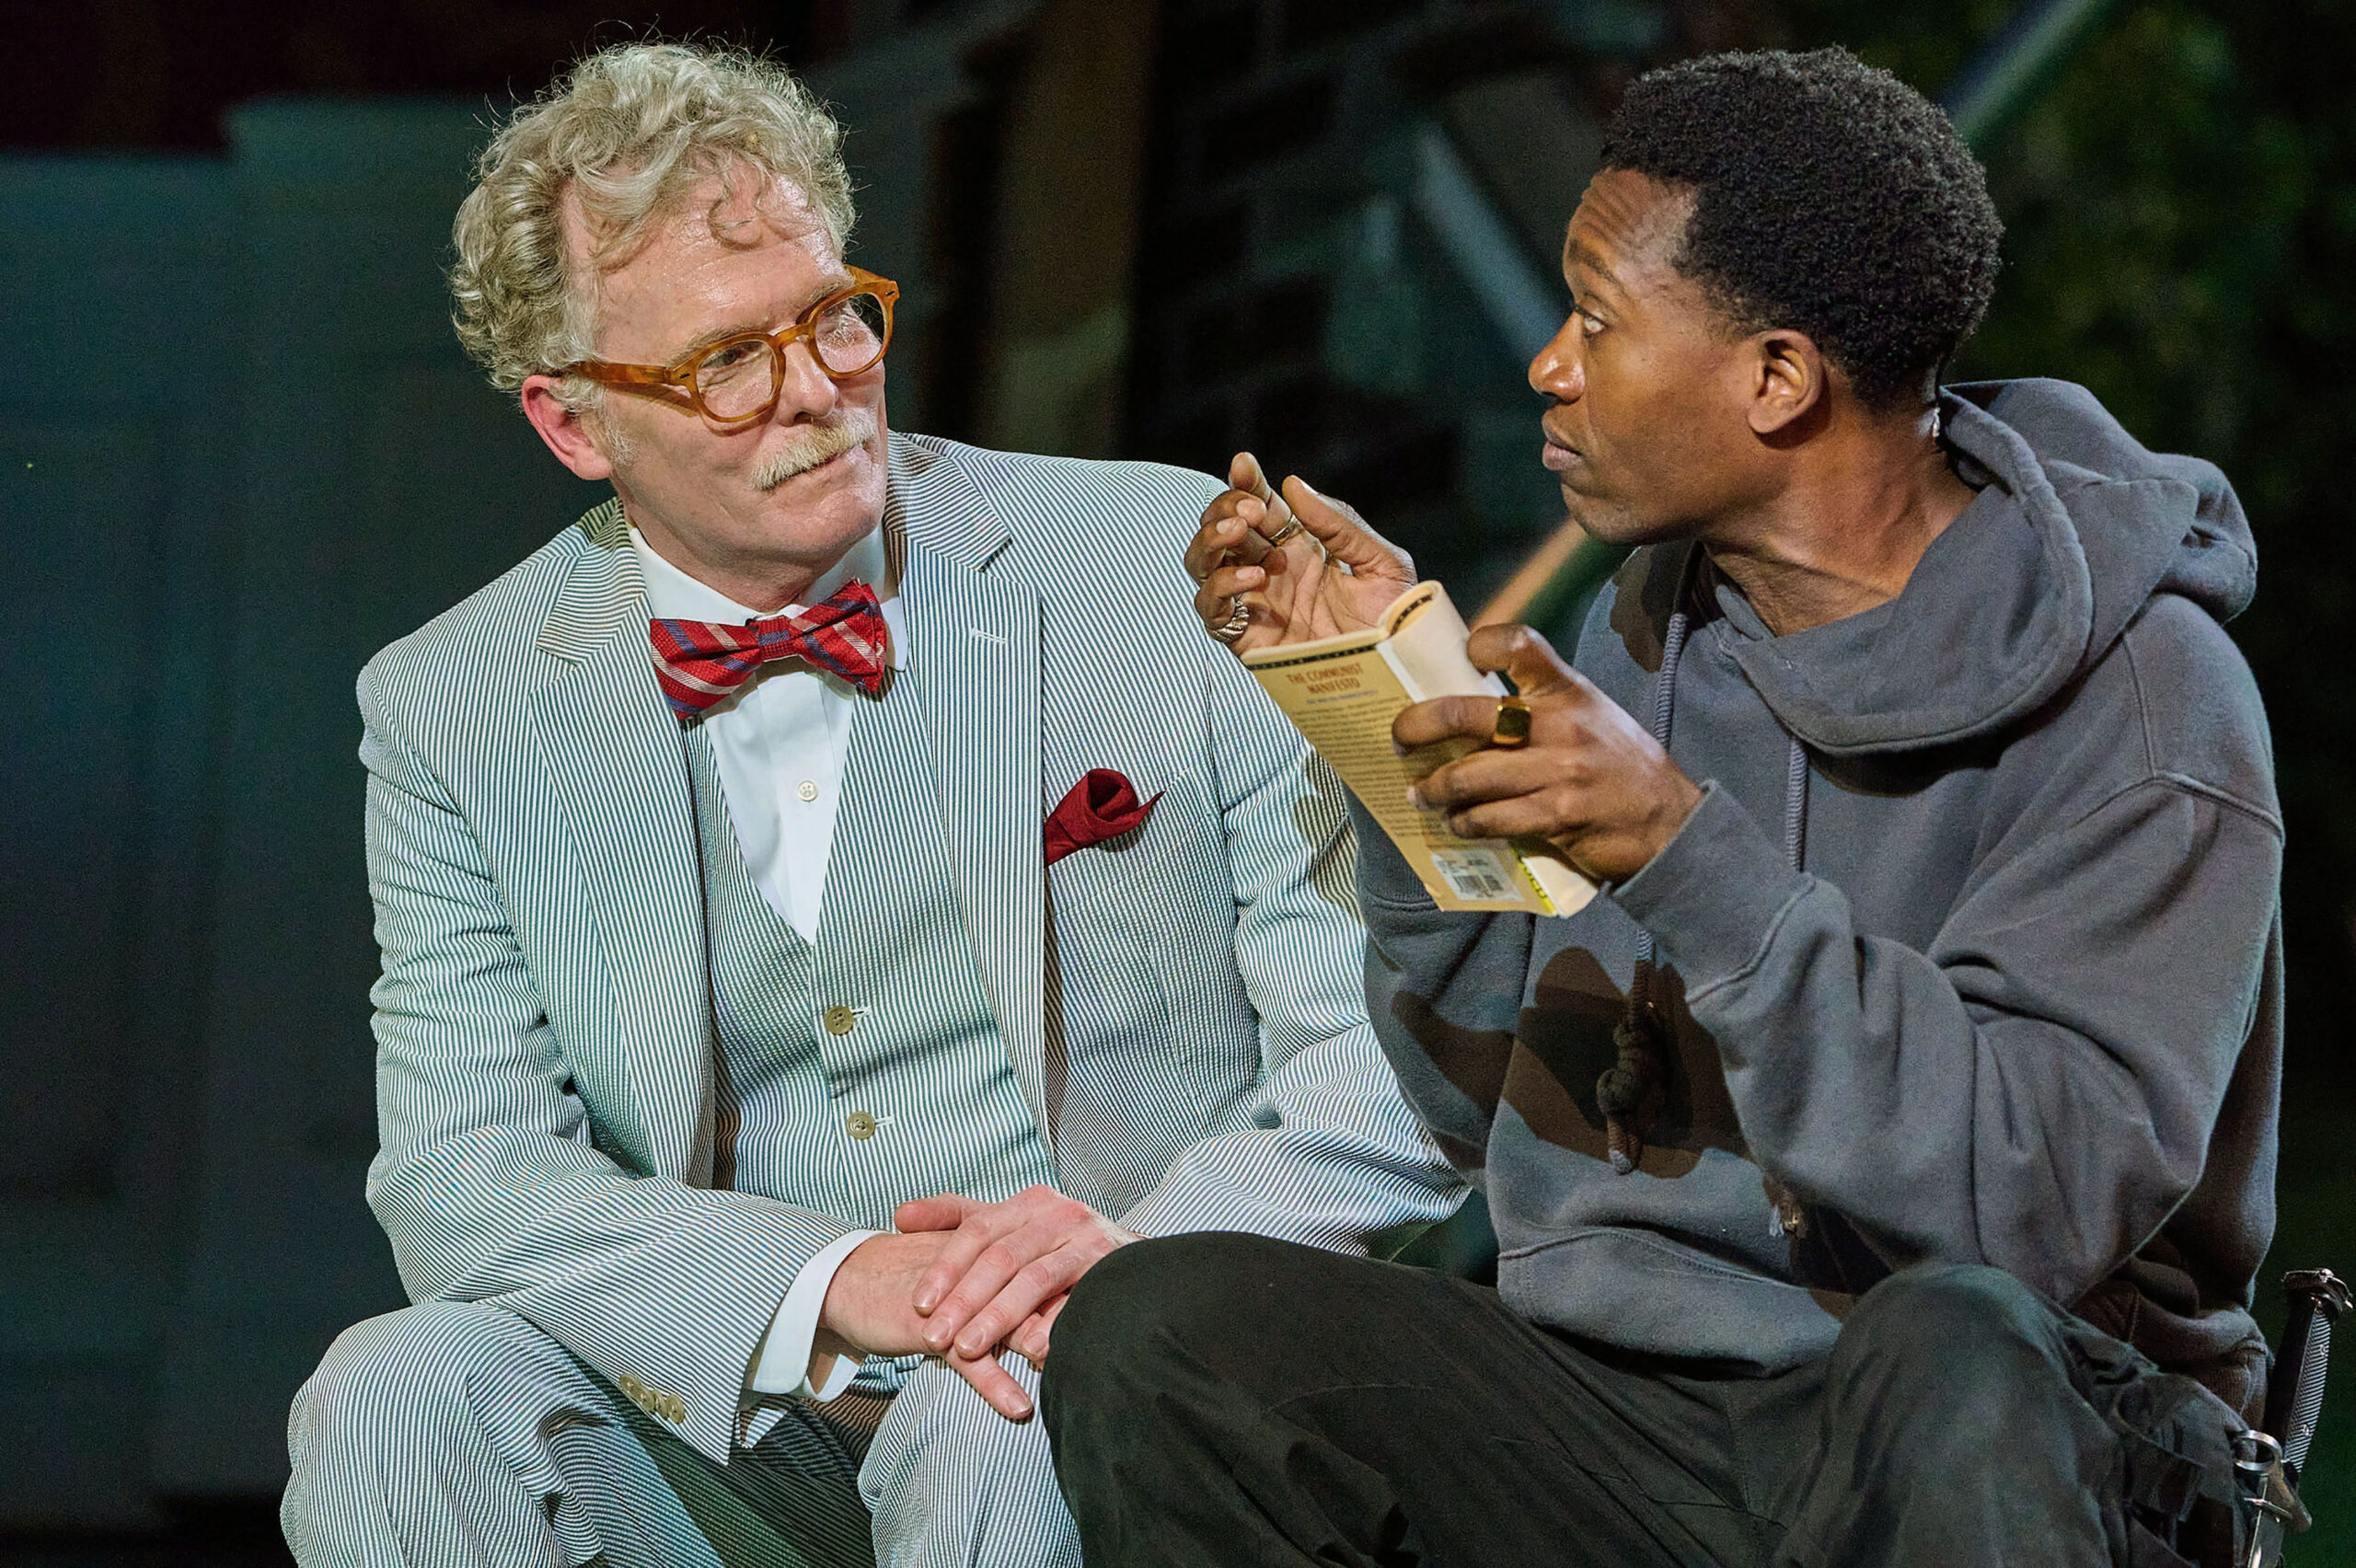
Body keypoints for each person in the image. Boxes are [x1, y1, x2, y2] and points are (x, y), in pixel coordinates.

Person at [1044, 46, 2281, 1568]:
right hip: (1638, 1417)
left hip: (2017, 1436)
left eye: (1598, 321)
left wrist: (1691, 856)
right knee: (1166, 1330)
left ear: (1776, 379)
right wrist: (1386, 706)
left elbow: (2026, 1212)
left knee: (1952, 1347)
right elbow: (1475, 1097)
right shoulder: (1654, 627)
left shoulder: (2148, 702)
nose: (1546, 365)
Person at [279, 40, 1461, 1568]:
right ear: (573, 424)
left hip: (1118, 1367)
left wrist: (1117, 1267)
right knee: (396, 1393)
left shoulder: (1158, 567)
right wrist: (829, 1282)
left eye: (835, 321)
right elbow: (466, 1175)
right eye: (725, 363)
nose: (818, 394)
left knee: (998, 1417)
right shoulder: (457, 703)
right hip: (735, 1415)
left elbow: (1387, 1057)